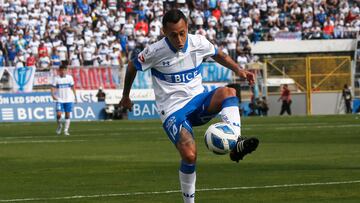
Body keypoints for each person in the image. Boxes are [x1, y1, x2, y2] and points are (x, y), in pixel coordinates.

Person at [119, 10, 259, 203]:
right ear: (164, 32)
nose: (179, 39)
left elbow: (219, 55)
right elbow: (132, 66)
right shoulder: (154, 51)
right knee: (190, 155)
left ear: (187, 28)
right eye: (173, 35)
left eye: (182, 32)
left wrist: (239, 70)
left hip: (198, 101)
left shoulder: (198, 42)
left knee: (229, 92)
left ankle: (235, 143)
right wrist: (126, 96)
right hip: (173, 111)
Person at [51, 65, 77, 136]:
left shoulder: (70, 78)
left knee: (67, 115)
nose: (62, 71)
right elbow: (52, 87)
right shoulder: (56, 78)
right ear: (59, 71)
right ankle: (59, 126)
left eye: (64, 70)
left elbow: (73, 87)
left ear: (66, 70)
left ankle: (66, 130)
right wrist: (53, 95)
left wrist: (75, 96)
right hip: (59, 99)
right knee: (58, 115)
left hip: (68, 99)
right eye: (61, 70)